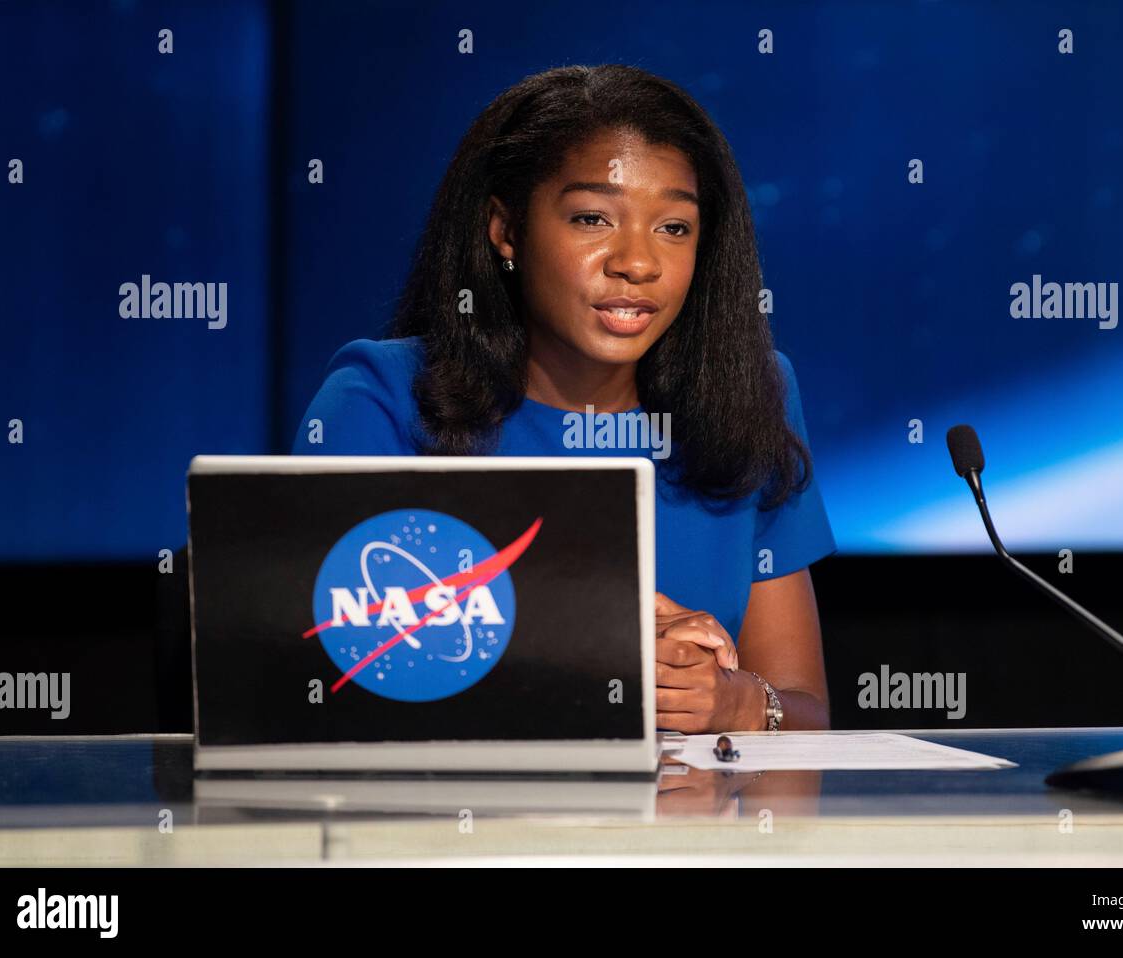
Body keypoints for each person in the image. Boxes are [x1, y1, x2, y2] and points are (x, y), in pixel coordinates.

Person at [293, 64, 836, 733]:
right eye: (592, 218)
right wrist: (594, 639)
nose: (638, 263)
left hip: (686, 833)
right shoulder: (382, 401)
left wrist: (741, 702)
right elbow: (325, 682)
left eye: (674, 227)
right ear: (506, 231)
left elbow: (804, 706)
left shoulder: (750, 394)